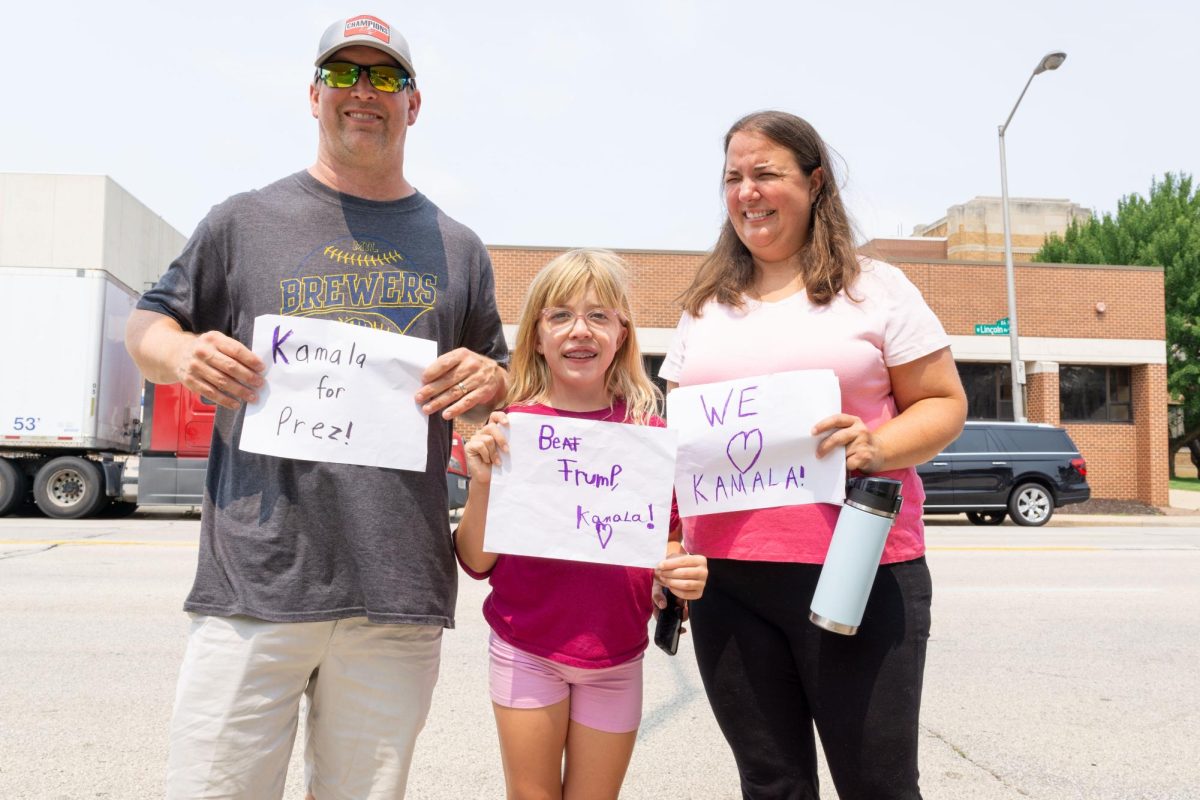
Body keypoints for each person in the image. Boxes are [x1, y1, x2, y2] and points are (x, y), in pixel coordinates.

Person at [124, 14, 508, 799]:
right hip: (254, 586)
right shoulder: (242, 221)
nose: (362, 92)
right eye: (343, 75)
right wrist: (183, 353)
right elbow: (146, 323)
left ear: (414, 103)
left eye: (384, 77)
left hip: (394, 594)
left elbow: (497, 378)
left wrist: (491, 385)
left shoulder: (457, 246)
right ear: (313, 94)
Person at [660, 111, 968, 800]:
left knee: (878, 786)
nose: (747, 192)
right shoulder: (705, 307)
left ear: (815, 182)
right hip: (726, 582)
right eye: (734, 177)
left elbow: (945, 404)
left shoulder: (877, 288)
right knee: (771, 785)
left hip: (857, 569)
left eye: (766, 173)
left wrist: (877, 445)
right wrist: (670, 544)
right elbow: (684, 445)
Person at [454, 249, 709, 799]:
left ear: (622, 334)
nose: (580, 330)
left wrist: (678, 576)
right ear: (538, 337)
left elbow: (666, 543)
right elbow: (476, 562)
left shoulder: (648, 434)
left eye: (599, 315)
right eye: (560, 315)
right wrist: (481, 485)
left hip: (616, 656)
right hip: (527, 649)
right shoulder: (512, 427)